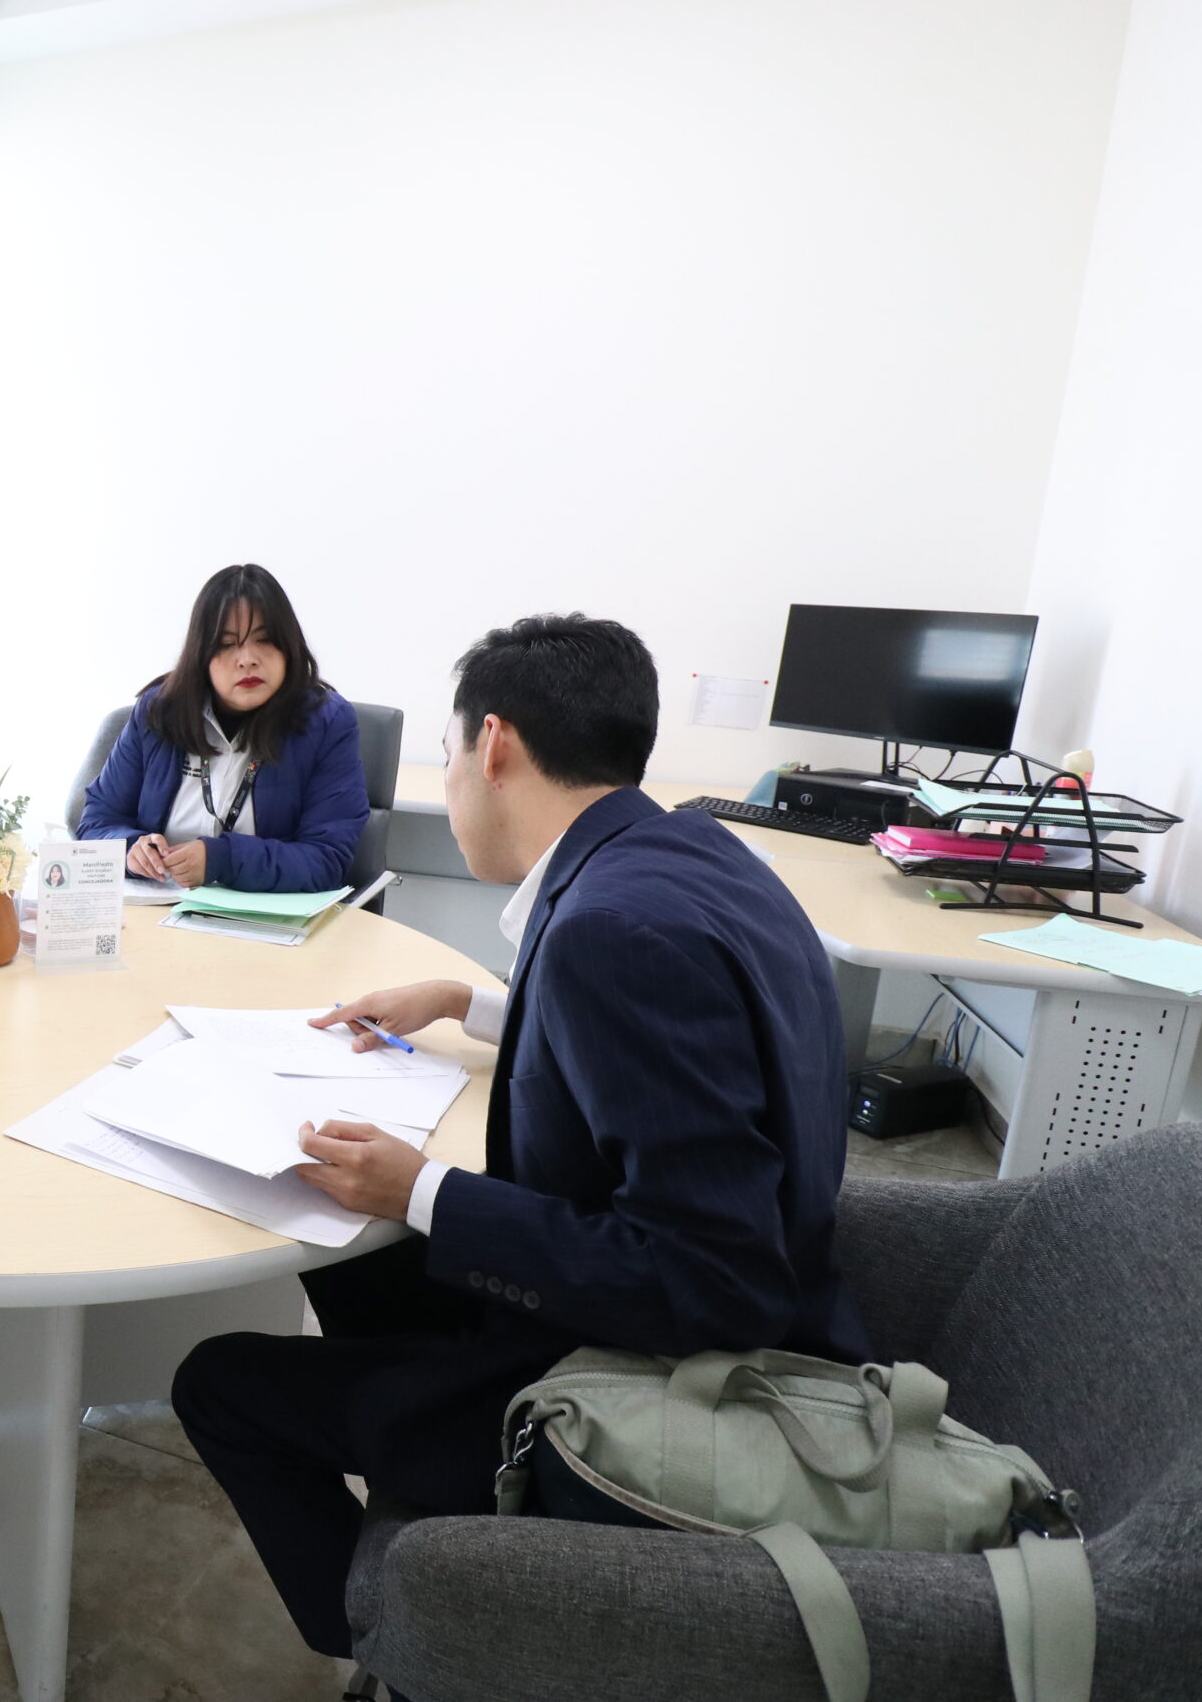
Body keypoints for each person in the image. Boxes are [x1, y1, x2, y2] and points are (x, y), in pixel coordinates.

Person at [170, 614, 869, 1673]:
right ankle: (421, 1458)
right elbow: (693, 1039)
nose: (450, 780)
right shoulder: (685, 851)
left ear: (492, 743)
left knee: (221, 1383)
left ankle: (413, 1640)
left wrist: (422, 1191)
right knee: (346, 1255)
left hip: (653, 1382)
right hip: (710, 1290)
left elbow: (716, 1284)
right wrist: (471, 1002)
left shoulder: (608, 930)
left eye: (448, 754)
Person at [77, 563, 370, 892]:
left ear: (288, 647)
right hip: (158, 909)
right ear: (201, 653)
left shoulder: (326, 723)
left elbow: (327, 860)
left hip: (259, 916)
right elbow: (97, 823)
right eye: (228, 644)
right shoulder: (159, 712)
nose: (247, 659)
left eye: (265, 640)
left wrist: (222, 859)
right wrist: (131, 849)